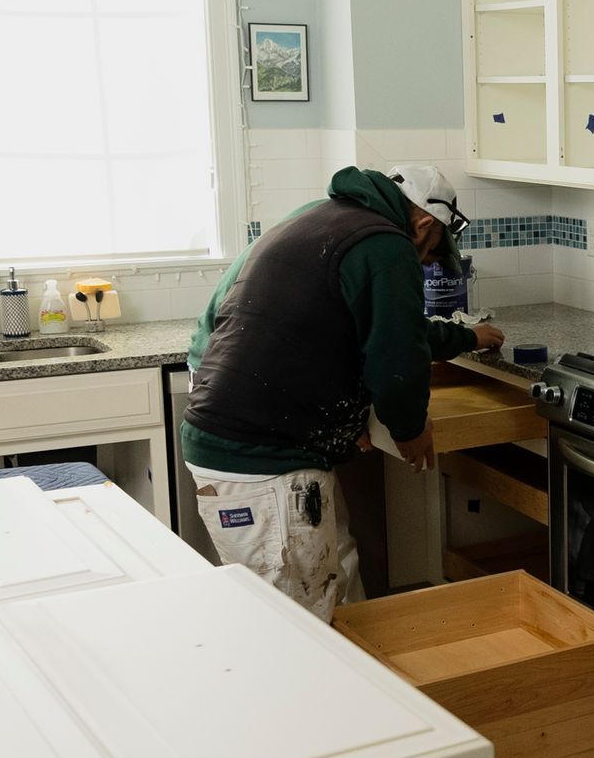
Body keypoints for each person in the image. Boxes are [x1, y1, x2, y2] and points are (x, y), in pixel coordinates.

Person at [181, 164, 506, 619]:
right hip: (264, 467)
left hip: (237, 448)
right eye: (434, 252)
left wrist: (468, 338)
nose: (430, 263)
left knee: (335, 585)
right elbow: (396, 359)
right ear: (423, 224)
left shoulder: (318, 216)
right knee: (300, 622)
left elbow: (392, 329)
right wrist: (410, 430)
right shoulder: (387, 245)